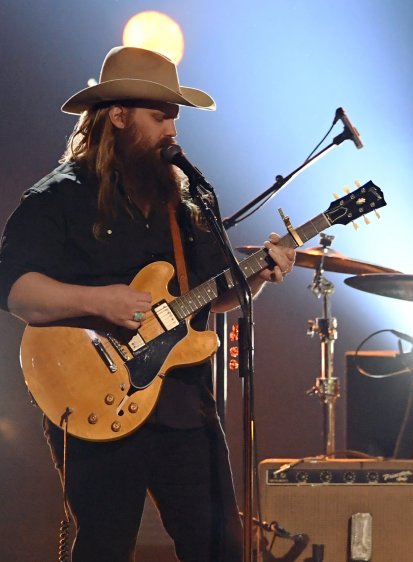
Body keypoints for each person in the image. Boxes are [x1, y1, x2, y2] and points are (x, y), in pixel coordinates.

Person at [0, 46, 296, 561]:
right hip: (96, 396)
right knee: (105, 548)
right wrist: (100, 301)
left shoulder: (181, 206)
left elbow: (213, 297)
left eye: (175, 119)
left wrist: (261, 275)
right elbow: (16, 291)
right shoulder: (59, 197)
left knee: (221, 546)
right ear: (118, 116)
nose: (172, 131)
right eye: (159, 117)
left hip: (182, 403)